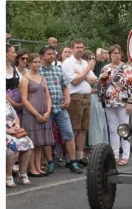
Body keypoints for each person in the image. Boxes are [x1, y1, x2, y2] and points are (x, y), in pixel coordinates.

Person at [38, 46, 82, 174]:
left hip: (60, 107)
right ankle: (50, 162)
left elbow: (65, 86)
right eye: (48, 54)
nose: (52, 56)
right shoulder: (38, 71)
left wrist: (67, 98)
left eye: (53, 54)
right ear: (41, 56)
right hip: (46, 108)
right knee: (47, 137)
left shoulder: (58, 70)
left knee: (68, 133)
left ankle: (73, 162)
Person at [98, 44, 132, 166]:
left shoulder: (126, 68)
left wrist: (130, 101)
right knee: (113, 129)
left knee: (124, 128)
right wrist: (100, 79)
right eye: (114, 53)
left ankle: (125, 155)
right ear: (110, 55)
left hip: (123, 101)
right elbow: (100, 87)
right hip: (109, 102)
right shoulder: (105, 68)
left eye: (118, 53)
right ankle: (114, 154)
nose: (116, 55)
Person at [62, 39, 97, 169]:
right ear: (72, 49)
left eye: (81, 47)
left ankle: (79, 156)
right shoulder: (68, 63)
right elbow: (75, 81)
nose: (80, 49)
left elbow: (94, 80)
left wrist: (84, 74)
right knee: (74, 128)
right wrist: (87, 69)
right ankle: (70, 157)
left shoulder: (83, 62)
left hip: (87, 97)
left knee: (83, 128)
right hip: (75, 97)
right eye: (77, 47)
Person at [20, 53, 55, 176]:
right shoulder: (25, 79)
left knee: (40, 142)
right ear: (29, 63)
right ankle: (32, 169)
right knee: (32, 142)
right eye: (35, 62)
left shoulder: (42, 78)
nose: (37, 64)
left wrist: (48, 111)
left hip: (43, 112)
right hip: (31, 114)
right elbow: (24, 100)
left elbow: (47, 96)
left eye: (39, 62)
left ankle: (38, 167)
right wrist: (36, 114)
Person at [6, 101, 34, 187]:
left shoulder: (5, 102)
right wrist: (7, 130)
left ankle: (22, 173)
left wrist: (17, 126)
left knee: (27, 143)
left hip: (12, 130)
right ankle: (8, 175)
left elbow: (16, 117)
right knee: (13, 146)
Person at [6, 44, 23, 121]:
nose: (15, 55)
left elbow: (20, 85)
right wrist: (12, 103)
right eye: (13, 52)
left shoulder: (14, 67)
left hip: (18, 104)